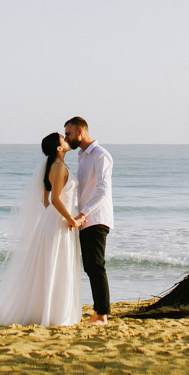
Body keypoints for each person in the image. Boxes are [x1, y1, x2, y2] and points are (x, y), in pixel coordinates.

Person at [0, 132, 82, 326]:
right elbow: (54, 200)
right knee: (57, 265)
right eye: (63, 138)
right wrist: (72, 219)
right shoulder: (59, 167)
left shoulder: (50, 166)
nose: (66, 139)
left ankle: (45, 311)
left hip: (51, 221)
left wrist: (57, 217)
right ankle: (54, 314)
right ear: (58, 148)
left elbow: (45, 201)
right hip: (60, 222)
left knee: (49, 266)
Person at [63, 116, 113, 323]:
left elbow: (102, 189)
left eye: (69, 133)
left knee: (95, 265)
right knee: (90, 266)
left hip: (96, 218)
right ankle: (99, 312)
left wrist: (84, 213)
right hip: (84, 219)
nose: (67, 138)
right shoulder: (82, 155)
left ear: (80, 131)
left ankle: (101, 314)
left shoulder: (101, 155)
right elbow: (82, 189)